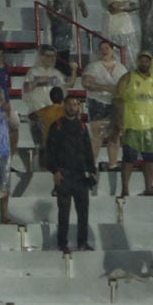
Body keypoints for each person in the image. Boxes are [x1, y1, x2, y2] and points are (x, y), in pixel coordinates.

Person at [112, 51, 153, 197]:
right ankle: (125, 189)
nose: (144, 63)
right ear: (137, 62)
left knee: (150, 159)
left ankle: (148, 188)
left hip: (151, 126)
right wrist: (118, 120)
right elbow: (117, 99)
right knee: (129, 159)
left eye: (146, 61)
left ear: (150, 63)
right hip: (132, 124)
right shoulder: (128, 78)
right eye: (141, 60)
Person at [43, 99, 96, 253]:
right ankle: (62, 243)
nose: (73, 107)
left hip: (80, 175)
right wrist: (55, 171)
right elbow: (50, 151)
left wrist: (92, 170)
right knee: (64, 212)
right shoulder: (57, 125)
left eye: (75, 105)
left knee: (83, 212)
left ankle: (82, 242)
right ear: (64, 106)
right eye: (70, 104)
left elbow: (88, 150)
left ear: (79, 107)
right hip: (64, 174)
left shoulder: (82, 126)